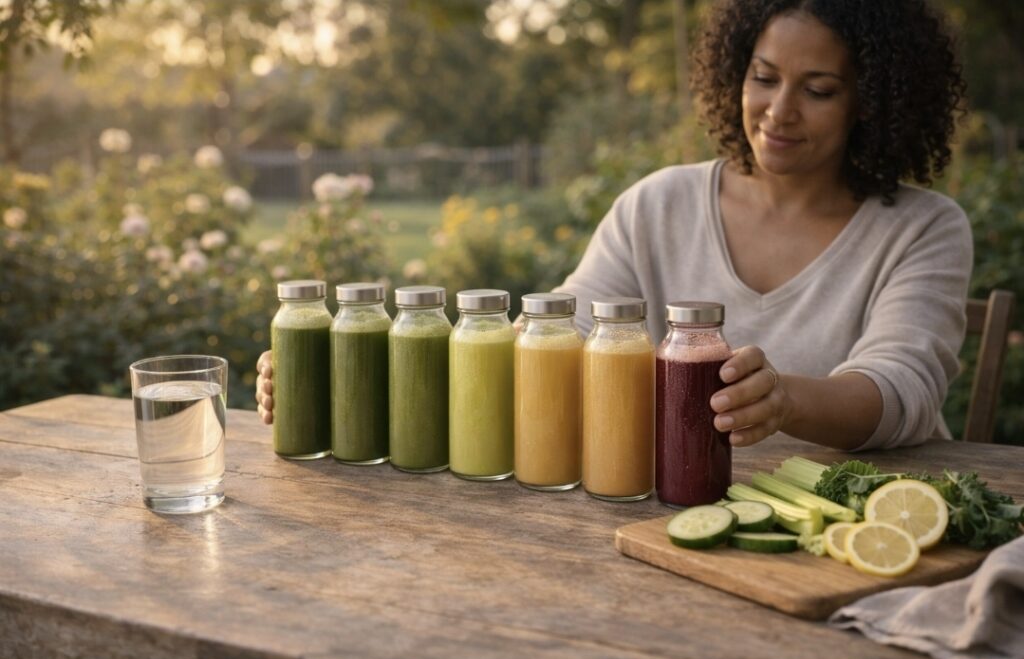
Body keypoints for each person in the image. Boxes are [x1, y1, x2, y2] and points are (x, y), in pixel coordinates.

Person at [257, 0, 971, 453]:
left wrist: (783, 398)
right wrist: (340, 374)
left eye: (818, 90)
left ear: (872, 103)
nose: (779, 111)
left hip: (850, 526)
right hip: (662, 513)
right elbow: (555, 334)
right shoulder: (657, 204)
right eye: (763, 76)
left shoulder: (922, 229)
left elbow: (901, 390)